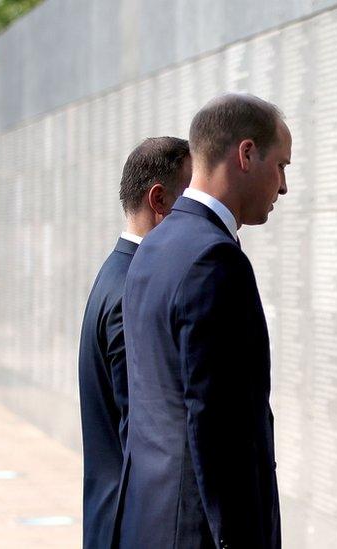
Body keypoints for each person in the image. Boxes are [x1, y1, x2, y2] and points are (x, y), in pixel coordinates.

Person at [118, 93, 290, 549]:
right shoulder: (214, 258)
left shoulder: (153, 244)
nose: (285, 187)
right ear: (247, 154)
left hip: (150, 523)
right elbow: (220, 428)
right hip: (198, 533)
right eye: (281, 166)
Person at [78, 136, 192, 549]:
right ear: (159, 200)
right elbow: (143, 437)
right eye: (189, 197)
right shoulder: (133, 290)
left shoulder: (118, 272)